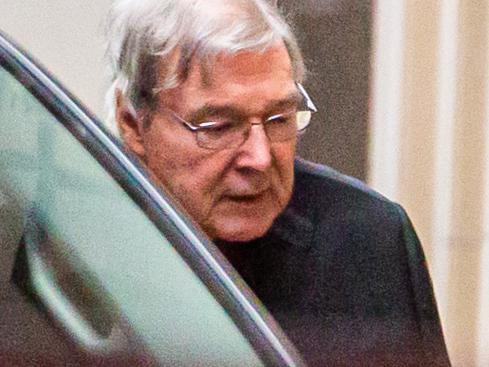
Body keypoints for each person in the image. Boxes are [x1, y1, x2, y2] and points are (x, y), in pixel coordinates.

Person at [105, 0, 451, 365]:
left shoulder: (366, 241)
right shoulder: (67, 242)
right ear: (133, 124)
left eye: (279, 119)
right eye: (219, 127)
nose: (260, 158)